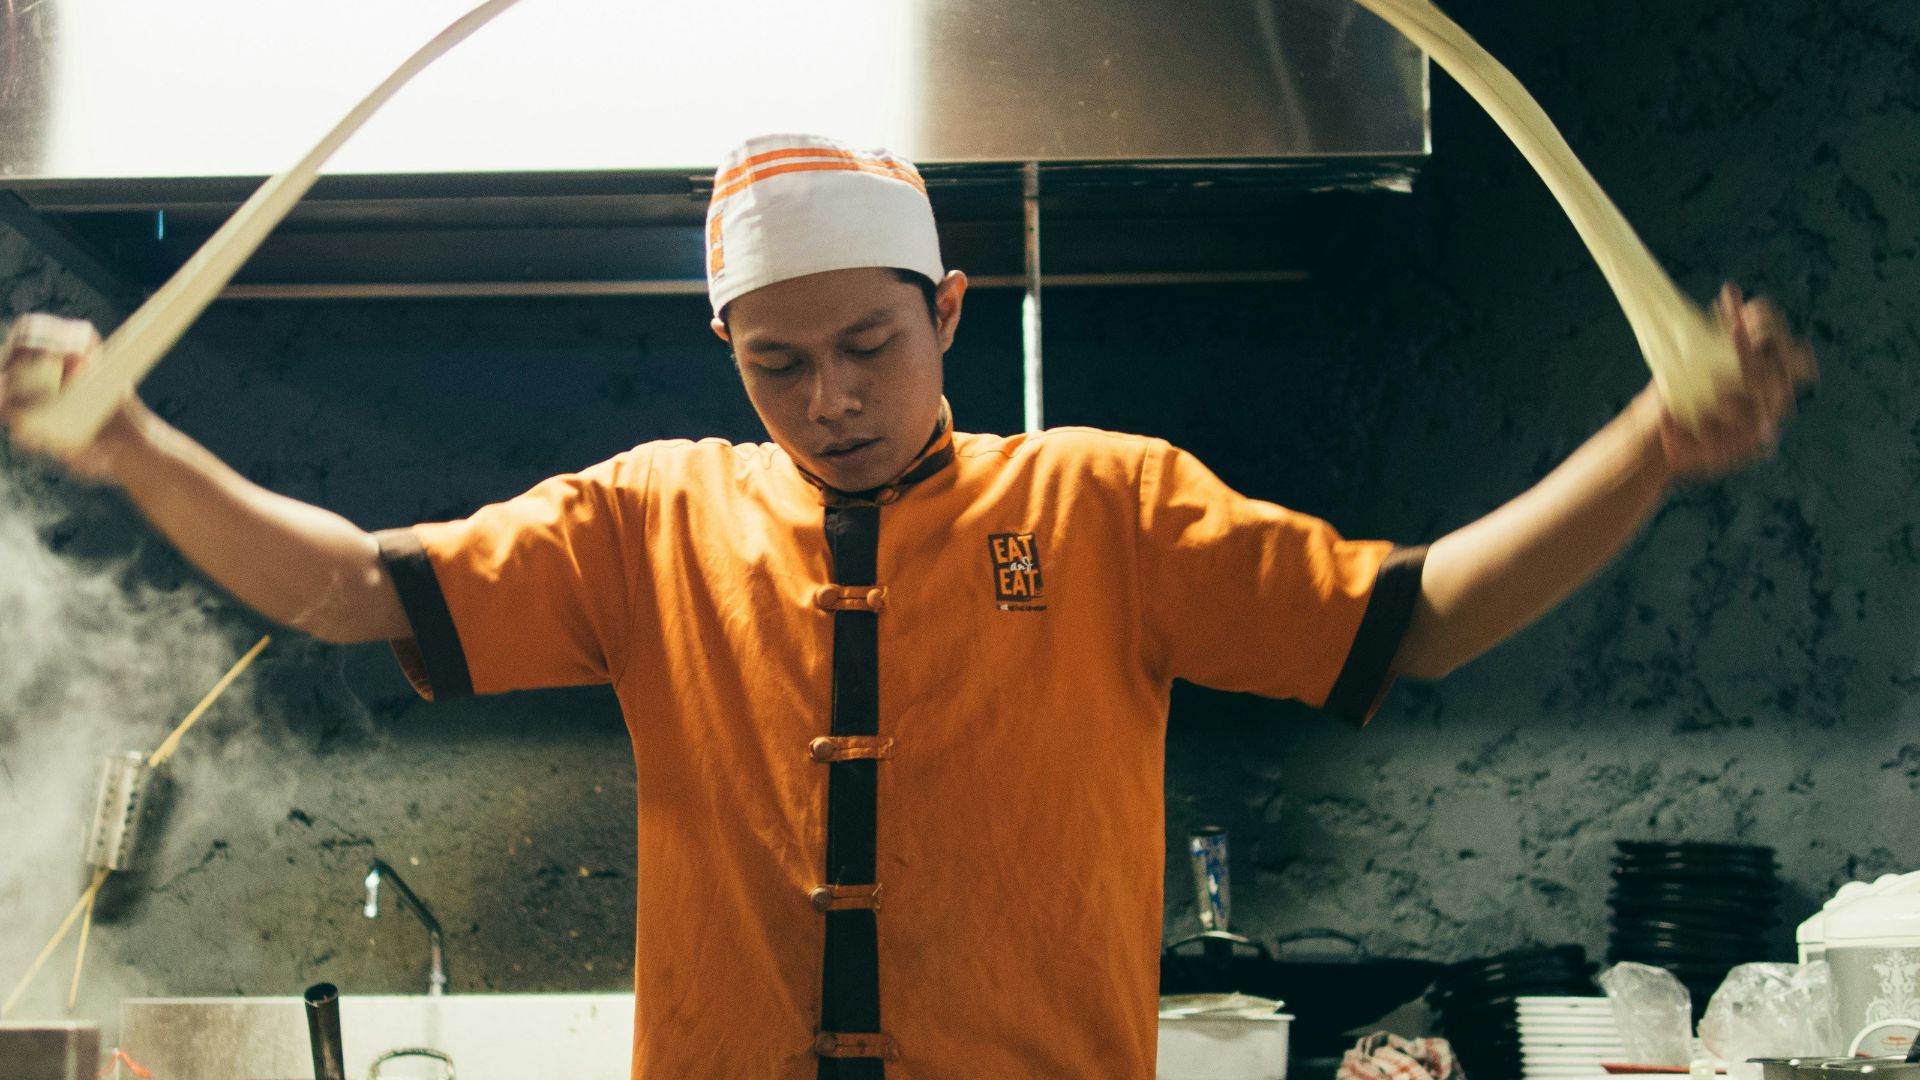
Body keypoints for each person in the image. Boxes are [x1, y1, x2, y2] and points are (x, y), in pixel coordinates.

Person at [0, 134, 1814, 1078]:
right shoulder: (648, 521)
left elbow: (1413, 617)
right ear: (727, 351)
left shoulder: (1105, 504)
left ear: (951, 313)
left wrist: (1652, 448)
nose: (831, 400)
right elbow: (344, 588)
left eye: (870, 347)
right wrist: (143, 446)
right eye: (777, 365)